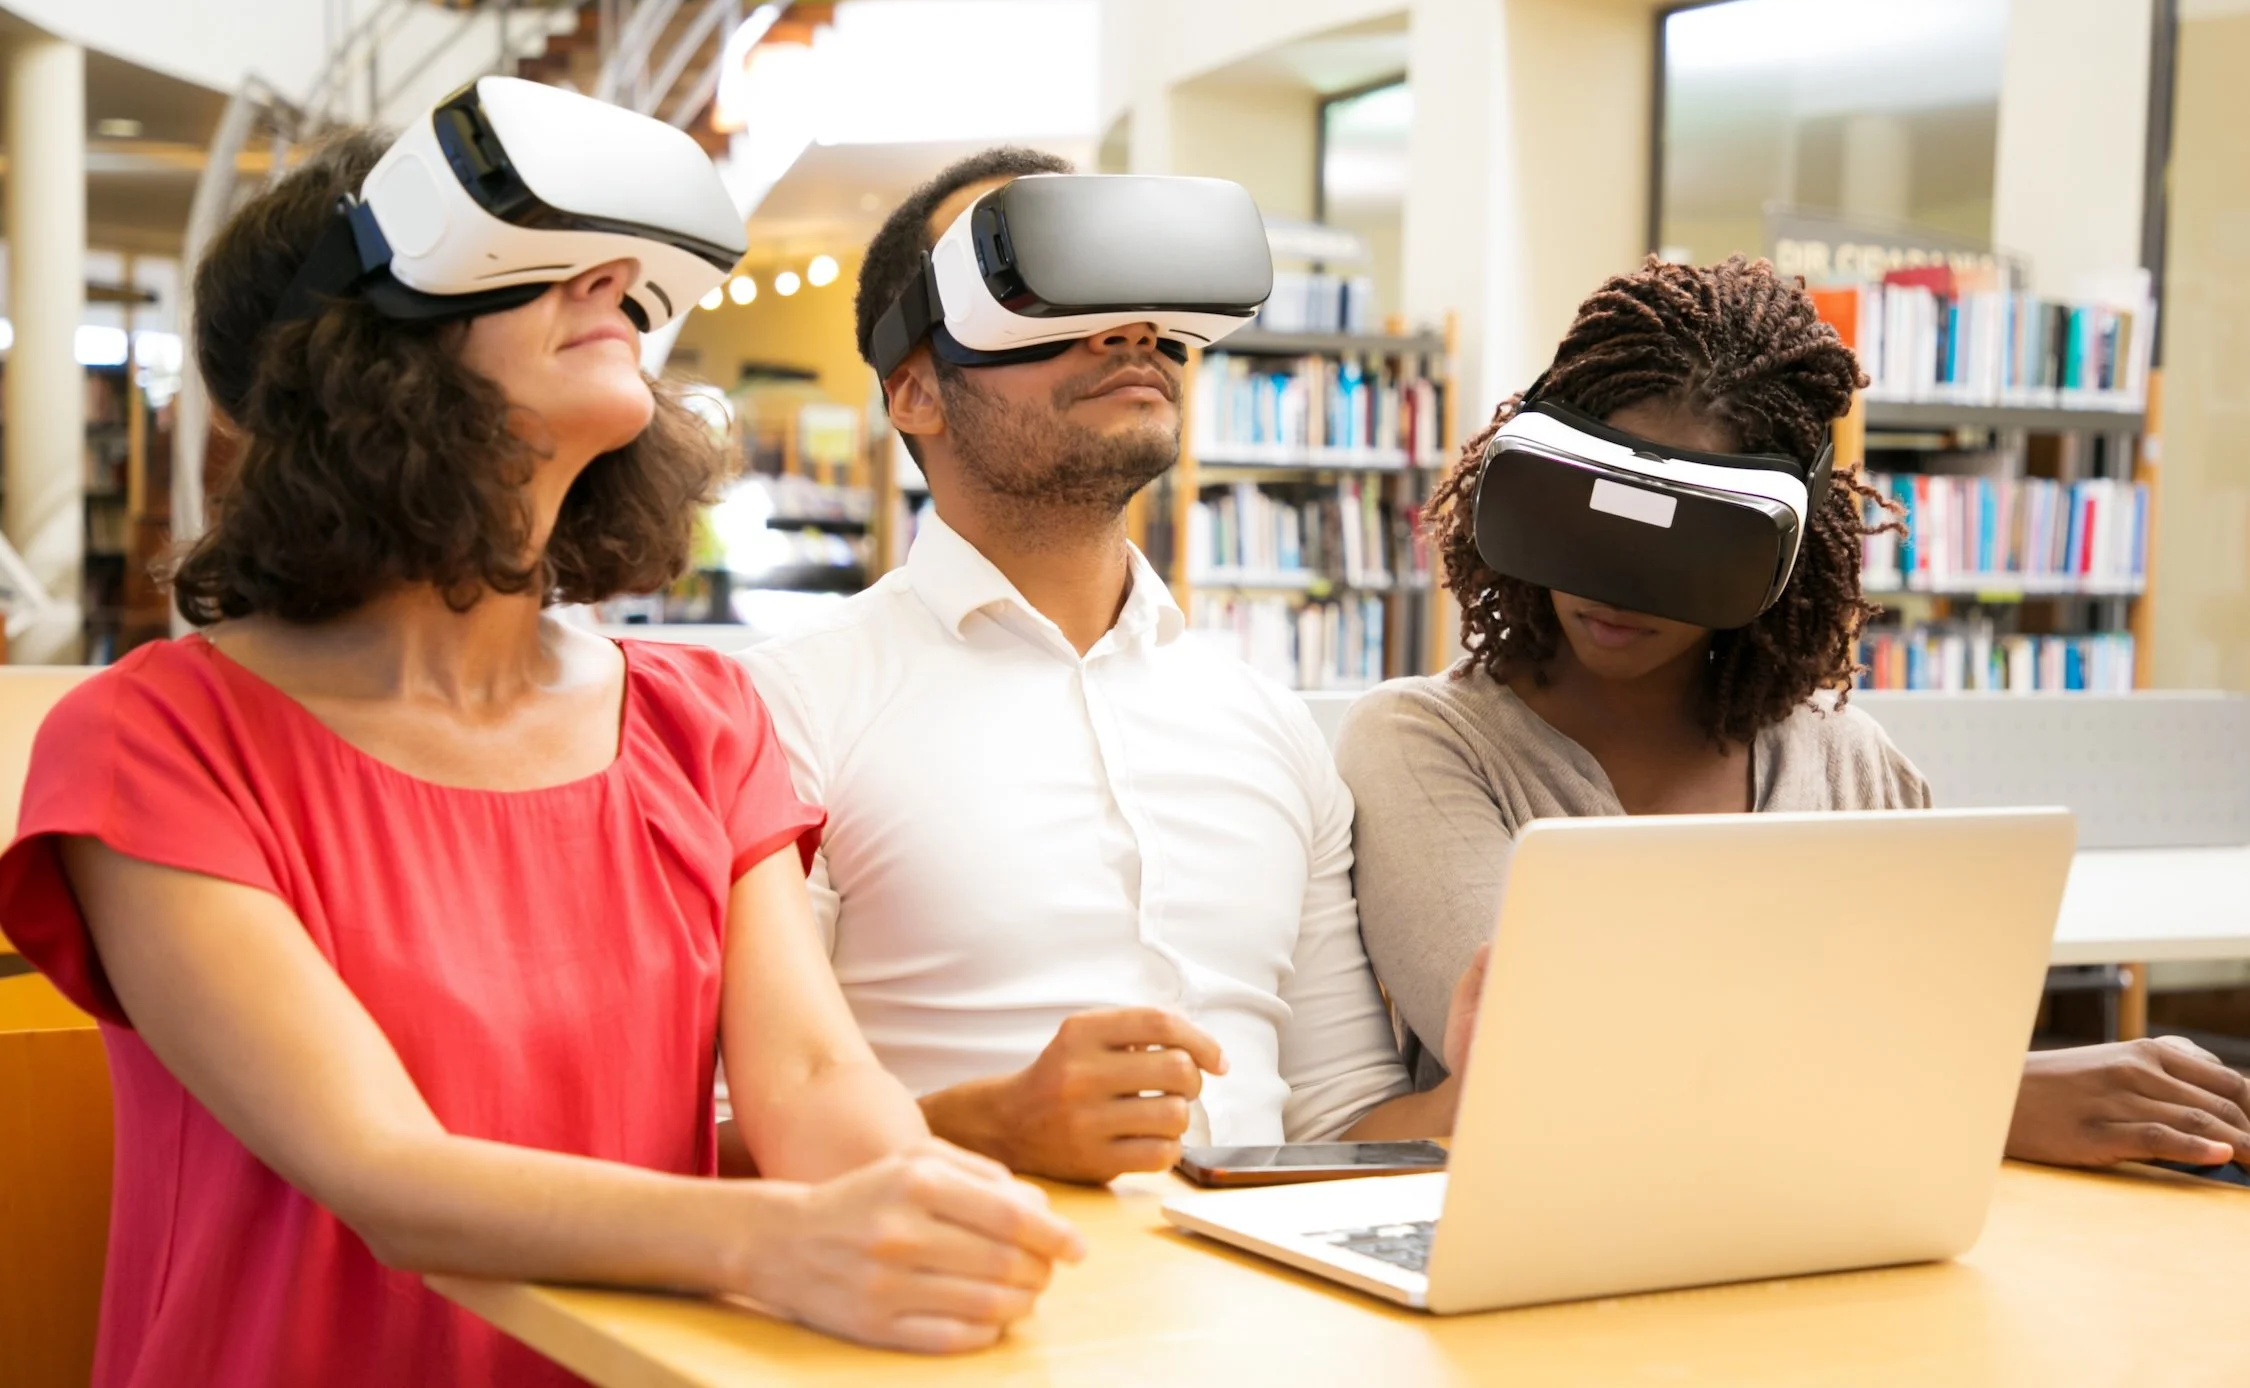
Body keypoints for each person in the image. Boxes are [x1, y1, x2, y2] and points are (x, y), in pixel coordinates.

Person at [0, 132, 1080, 1388]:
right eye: (525, 255)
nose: (610, 280)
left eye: (613, 266)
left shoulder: (698, 720)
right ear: (353, 351)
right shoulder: (159, 741)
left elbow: (814, 1076)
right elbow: (383, 1173)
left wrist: (926, 1212)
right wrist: (782, 1240)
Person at [1338, 254, 2250, 1174]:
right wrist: (1984, 1094)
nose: (1615, 589)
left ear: (1783, 552)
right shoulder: (1423, 744)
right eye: (1597, 520)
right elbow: (1560, 1070)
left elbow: (1929, 1028)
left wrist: (1960, 1081)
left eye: (1691, 540)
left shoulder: (1850, 761)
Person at [738, 148, 1478, 1186]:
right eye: (1042, 281)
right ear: (914, 390)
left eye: (1139, 293)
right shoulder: (785, 711)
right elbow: (707, 1133)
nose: (1130, 328)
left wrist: (1489, 1083)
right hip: (959, 1311)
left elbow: (1338, 1119)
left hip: (1268, 1320)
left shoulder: (1267, 727)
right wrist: (978, 1126)